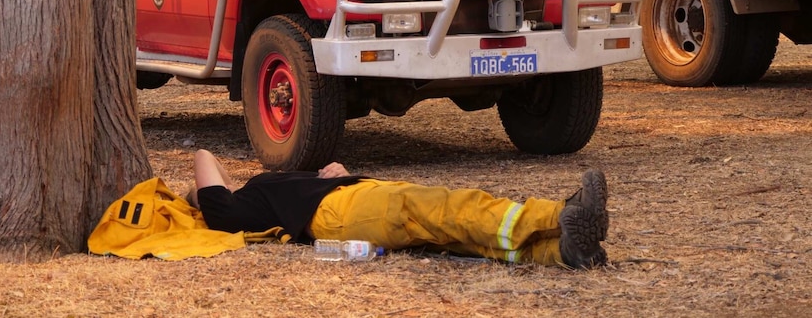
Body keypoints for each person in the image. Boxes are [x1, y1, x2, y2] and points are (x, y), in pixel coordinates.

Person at [187, 149, 609, 269]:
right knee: (450, 209)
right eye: (203, 193)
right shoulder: (228, 211)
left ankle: (564, 250)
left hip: (352, 198)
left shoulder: (246, 197)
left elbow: (216, 169)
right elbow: (205, 156)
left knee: (452, 237)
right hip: (340, 212)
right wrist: (197, 195)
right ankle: (560, 214)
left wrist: (337, 173)